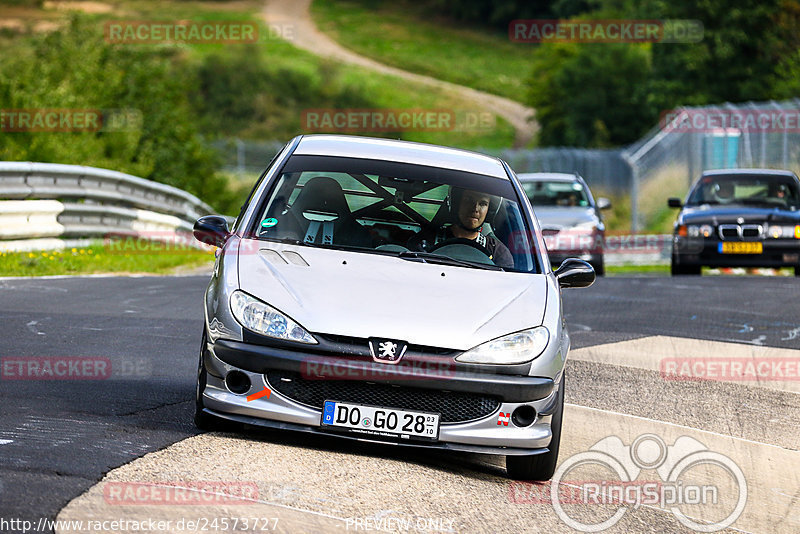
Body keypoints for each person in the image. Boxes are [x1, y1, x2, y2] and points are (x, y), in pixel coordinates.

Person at [410, 187, 514, 268]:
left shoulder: (498, 252)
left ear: (489, 211)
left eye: (483, 204)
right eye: (469, 200)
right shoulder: (426, 241)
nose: (476, 209)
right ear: (456, 204)